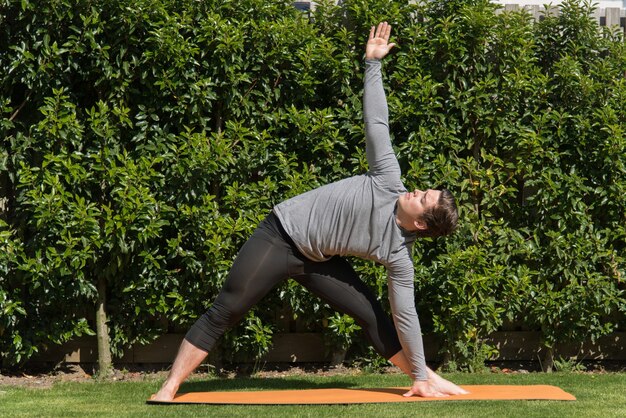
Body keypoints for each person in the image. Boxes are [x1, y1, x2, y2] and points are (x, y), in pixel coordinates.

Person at [152, 22, 467, 401]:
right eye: (423, 189)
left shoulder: (399, 255)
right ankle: (169, 387)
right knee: (227, 309)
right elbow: (376, 123)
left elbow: (406, 315)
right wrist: (372, 64)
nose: (415, 189)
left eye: (422, 197)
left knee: (373, 316)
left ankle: (423, 378)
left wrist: (417, 370)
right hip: (280, 235)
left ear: (420, 223)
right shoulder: (388, 178)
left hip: (318, 260)